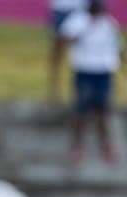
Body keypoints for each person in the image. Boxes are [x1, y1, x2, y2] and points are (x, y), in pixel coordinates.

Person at [59, 0, 124, 163]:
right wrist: (83, 31)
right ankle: (76, 146)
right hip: (84, 70)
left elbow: (117, 47)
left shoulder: (108, 23)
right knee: (81, 110)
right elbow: (64, 39)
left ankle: (106, 146)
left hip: (104, 71)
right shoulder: (78, 21)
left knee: (103, 111)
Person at [47, 0, 87, 101]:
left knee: (84, 51)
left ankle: (80, 91)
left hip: (81, 10)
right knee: (57, 52)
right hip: (61, 9)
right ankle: (55, 90)